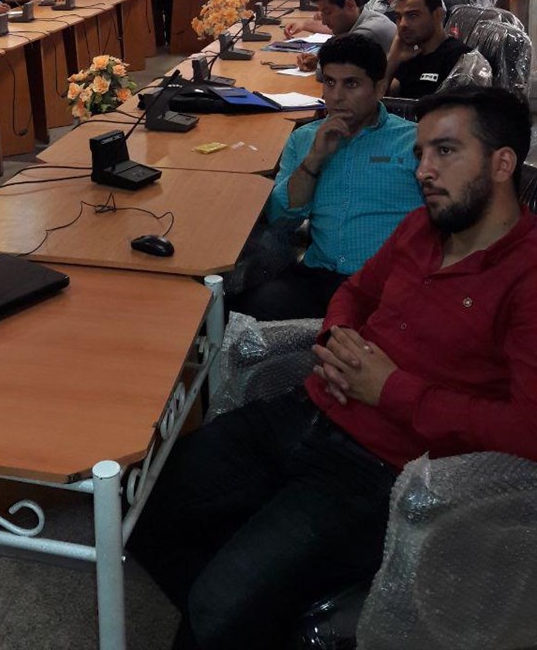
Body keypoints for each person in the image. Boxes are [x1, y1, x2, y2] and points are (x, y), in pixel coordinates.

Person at [131, 86, 536, 650]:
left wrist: (389, 389)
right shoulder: (421, 229)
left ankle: (238, 607)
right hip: (308, 407)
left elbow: (526, 429)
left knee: (217, 605)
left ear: (502, 163)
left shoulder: (526, 274)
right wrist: (335, 335)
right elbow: (355, 292)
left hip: (379, 468)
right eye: (420, 153)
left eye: (445, 151)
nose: (423, 170)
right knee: (138, 504)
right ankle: (260, 616)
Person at [229, 33, 421, 320]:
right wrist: (315, 159)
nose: (336, 96)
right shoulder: (304, 139)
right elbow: (280, 217)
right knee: (236, 313)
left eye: (351, 84)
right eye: (329, 83)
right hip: (319, 276)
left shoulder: (414, 142)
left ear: (380, 88)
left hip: (388, 283)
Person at [285, 0, 396, 70]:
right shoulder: (361, 19)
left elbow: (328, 72)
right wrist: (318, 60)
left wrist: (322, 62)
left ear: (350, 5)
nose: (324, 21)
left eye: (327, 12)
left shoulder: (368, 31)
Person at [386, 0, 471, 98]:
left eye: (413, 15)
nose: (402, 24)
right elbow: (382, 99)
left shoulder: (460, 59)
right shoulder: (410, 56)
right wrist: (392, 60)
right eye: (399, 17)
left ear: (438, 15)